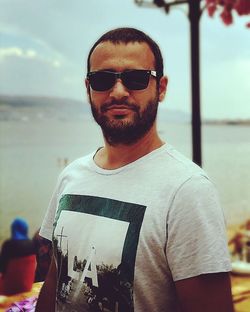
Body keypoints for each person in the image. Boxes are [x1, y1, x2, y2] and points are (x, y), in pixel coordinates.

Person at [36, 27, 233, 312]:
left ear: (161, 88)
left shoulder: (188, 190)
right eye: (102, 79)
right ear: (88, 88)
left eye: (136, 78)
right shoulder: (71, 176)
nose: (118, 91)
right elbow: (55, 281)